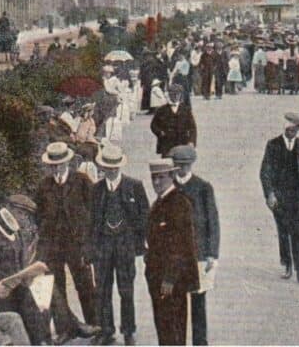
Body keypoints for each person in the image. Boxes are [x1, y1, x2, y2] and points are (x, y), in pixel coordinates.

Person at [34, 142, 98, 342]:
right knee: (57, 287)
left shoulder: (82, 181)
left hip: (77, 243)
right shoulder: (44, 186)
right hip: (53, 244)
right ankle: (66, 328)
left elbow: (93, 212)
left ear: (68, 162)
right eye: (53, 165)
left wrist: (88, 242)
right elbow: (39, 216)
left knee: (85, 284)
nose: (57, 168)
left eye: (61, 164)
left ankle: (95, 325)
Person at [89, 143, 149, 346]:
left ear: (120, 167)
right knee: (103, 290)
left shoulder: (134, 186)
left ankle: (128, 330)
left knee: (126, 290)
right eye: (108, 167)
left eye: (115, 167)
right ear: (102, 168)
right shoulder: (96, 190)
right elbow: (90, 221)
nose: (111, 170)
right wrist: (90, 249)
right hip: (103, 247)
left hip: (125, 246)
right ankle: (106, 330)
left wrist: (138, 243)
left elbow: (144, 217)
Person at [145, 158, 200, 346]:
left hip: (172, 279)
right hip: (157, 276)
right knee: (163, 324)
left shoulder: (178, 203)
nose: (156, 182)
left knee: (173, 326)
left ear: (171, 176)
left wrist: (169, 277)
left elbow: (180, 246)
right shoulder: (160, 202)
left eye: (160, 177)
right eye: (153, 178)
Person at [171, 145, 221, 346]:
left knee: (198, 301)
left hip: (198, 254)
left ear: (191, 165)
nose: (181, 169)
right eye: (178, 165)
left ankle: (200, 342)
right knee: (178, 302)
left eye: (185, 165)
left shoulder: (203, 187)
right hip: (175, 255)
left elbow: (212, 221)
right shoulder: (168, 186)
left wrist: (212, 254)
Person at [0, 207, 50, 346]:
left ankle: (42, 340)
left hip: (14, 290)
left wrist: (27, 275)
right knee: (29, 301)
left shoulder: (17, 238)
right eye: (21, 213)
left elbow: (18, 268)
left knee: (41, 292)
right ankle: (39, 341)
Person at [259, 113, 299, 285]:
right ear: (285, 128)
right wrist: (270, 194)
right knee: (282, 230)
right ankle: (287, 264)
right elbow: (265, 171)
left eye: (296, 129)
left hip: (296, 195)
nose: (293, 132)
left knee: (297, 230)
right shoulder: (273, 145)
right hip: (279, 194)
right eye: (290, 129)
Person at [150, 85, 198, 157]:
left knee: (181, 163)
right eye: (172, 94)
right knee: (167, 165)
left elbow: (192, 128)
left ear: (180, 95)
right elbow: (153, 125)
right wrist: (160, 133)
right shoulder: (162, 110)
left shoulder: (186, 110)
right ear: (169, 95)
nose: (175, 96)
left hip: (182, 142)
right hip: (166, 143)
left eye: (177, 94)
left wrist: (191, 141)